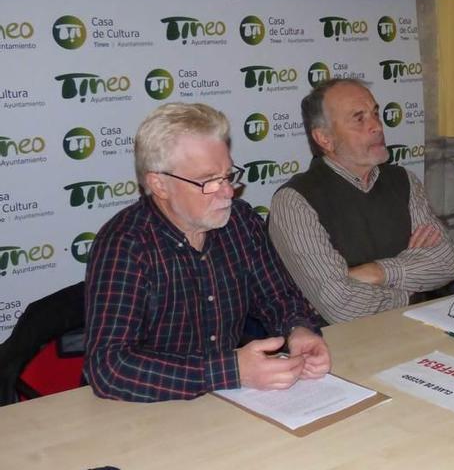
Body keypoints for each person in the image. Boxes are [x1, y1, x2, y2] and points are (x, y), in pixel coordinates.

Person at [83, 103, 330, 402]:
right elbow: (109, 368)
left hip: (227, 401)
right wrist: (232, 370)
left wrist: (299, 330)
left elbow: (277, 297)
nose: (227, 192)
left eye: (227, 176)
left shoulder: (240, 221)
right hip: (147, 410)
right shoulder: (125, 244)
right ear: (159, 184)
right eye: (209, 181)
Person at [269, 78, 454, 324]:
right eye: (359, 118)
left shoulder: (404, 181)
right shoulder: (295, 201)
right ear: (325, 139)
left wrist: (378, 272)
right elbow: (341, 306)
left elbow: (446, 262)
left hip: (419, 329)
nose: (377, 126)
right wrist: (413, 289)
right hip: (346, 348)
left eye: (375, 113)